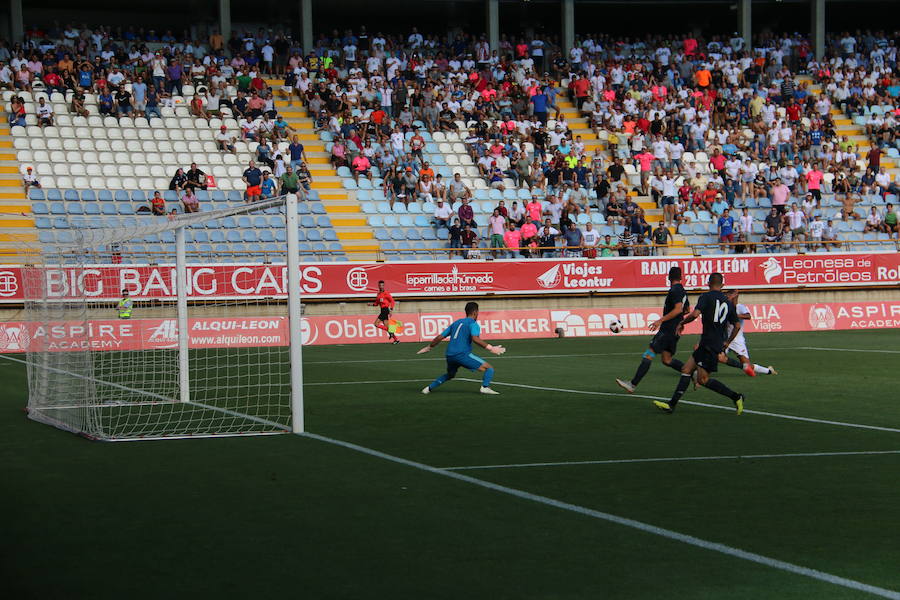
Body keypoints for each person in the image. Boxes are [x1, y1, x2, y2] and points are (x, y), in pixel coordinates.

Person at [653, 272, 745, 415]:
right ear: (723, 285)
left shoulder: (705, 297)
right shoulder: (727, 301)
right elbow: (737, 326)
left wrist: (682, 322)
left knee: (703, 380)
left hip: (709, 344)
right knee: (686, 370)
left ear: (708, 283)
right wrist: (727, 342)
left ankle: (736, 396)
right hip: (711, 342)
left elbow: (695, 314)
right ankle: (671, 405)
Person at [616, 267, 689, 393]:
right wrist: (680, 322)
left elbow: (678, 309)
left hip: (668, 329)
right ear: (681, 277)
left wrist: (660, 320)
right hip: (674, 329)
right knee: (667, 360)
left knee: (649, 353)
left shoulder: (675, 290)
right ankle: (690, 372)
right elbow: (686, 310)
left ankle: (632, 384)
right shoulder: (682, 290)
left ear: (669, 277)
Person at [417, 301, 505, 395]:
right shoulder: (473, 324)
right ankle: (485, 387)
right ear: (475, 312)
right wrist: (491, 348)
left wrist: (429, 347)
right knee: (489, 368)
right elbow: (475, 339)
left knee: (450, 375)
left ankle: (428, 388)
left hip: (450, 355)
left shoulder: (456, 323)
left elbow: (440, 337)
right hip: (462, 355)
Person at [717, 290, 777, 376]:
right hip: (725, 338)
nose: (727, 297)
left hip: (736, 340)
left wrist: (734, 316)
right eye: (726, 296)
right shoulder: (724, 307)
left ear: (735, 297)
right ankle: (699, 374)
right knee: (715, 357)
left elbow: (748, 316)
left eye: (729, 296)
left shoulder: (740, 307)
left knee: (747, 366)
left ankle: (769, 371)